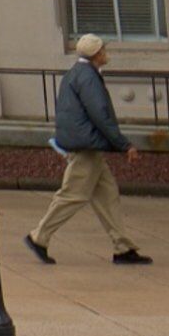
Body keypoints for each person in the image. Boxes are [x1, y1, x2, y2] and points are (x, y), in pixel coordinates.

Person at [27, 32, 150, 265]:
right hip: (86, 147)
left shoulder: (75, 74)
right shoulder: (88, 77)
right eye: (103, 50)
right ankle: (39, 236)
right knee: (73, 195)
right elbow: (101, 115)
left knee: (107, 195)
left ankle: (122, 247)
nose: (106, 53)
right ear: (96, 54)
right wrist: (124, 145)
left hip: (84, 144)